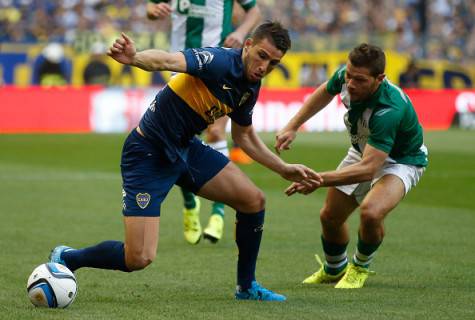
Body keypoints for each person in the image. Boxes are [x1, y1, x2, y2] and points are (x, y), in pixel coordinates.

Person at [49, 21, 322, 301]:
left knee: (253, 201)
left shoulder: (250, 87)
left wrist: (284, 169)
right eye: (262, 56)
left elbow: (243, 136)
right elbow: (168, 60)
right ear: (248, 45)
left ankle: (246, 287)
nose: (264, 66)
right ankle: (69, 257)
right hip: (148, 153)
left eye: (273, 63)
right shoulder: (217, 61)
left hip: (187, 149)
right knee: (138, 258)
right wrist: (135, 57)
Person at [275, 43, 428, 289]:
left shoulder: (389, 109)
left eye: (359, 79)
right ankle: (334, 269)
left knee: (371, 212)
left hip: (401, 160)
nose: (351, 83)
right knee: (330, 217)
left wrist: (317, 178)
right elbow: (324, 92)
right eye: (348, 76)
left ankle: (360, 266)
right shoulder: (347, 77)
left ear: (380, 79)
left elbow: (369, 169)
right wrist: (293, 125)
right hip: (363, 151)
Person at [147, 0, 262, 245]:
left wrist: (240, 33)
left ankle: (218, 214)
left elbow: (255, 9)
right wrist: (154, 11)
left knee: (216, 133)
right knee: (179, 139)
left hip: (218, 66)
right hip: (181, 64)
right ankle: (190, 203)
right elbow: (151, 8)